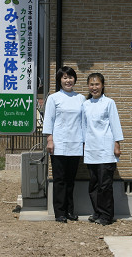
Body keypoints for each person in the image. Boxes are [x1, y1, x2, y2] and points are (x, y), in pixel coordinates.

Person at [42, 66, 86, 223]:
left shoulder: (80, 98)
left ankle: (69, 211)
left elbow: (84, 122)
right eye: (65, 78)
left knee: (70, 180)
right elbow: (49, 120)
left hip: (75, 144)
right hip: (59, 145)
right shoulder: (54, 98)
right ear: (60, 80)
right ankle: (59, 213)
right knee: (59, 180)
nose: (68, 80)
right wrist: (50, 140)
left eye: (71, 77)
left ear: (75, 79)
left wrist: (84, 142)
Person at [82, 73, 124, 226]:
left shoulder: (109, 103)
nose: (94, 87)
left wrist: (116, 144)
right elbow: (84, 126)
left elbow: (115, 124)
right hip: (91, 149)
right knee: (93, 184)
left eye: (97, 84)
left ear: (103, 85)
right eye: (91, 84)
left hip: (106, 149)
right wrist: (84, 142)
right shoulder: (85, 104)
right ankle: (97, 212)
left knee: (105, 185)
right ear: (88, 86)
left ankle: (106, 215)